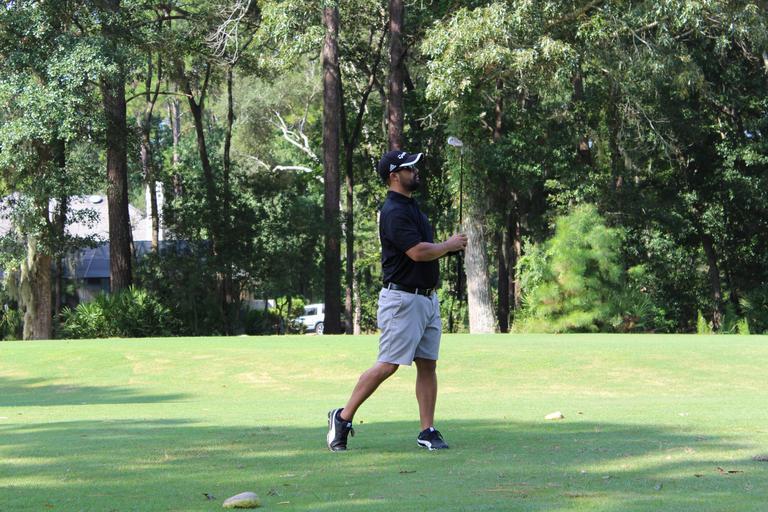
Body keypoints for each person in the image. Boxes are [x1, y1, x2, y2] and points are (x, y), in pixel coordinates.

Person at [326, 150, 468, 452]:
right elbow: (417, 252)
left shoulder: (412, 208)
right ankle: (342, 417)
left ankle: (427, 430)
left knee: (427, 365)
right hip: (403, 300)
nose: (415, 171)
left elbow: (427, 249)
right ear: (394, 176)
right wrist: (448, 244)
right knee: (388, 365)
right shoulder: (393, 211)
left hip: (427, 300)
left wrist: (448, 248)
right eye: (409, 168)